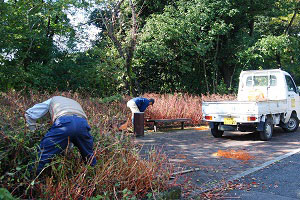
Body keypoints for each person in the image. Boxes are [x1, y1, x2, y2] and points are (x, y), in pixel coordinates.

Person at [25, 96, 97, 174]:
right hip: (82, 124)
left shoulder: (53, 100)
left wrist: (33, 134)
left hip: (64, 121)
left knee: (42, 157)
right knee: (89, 158)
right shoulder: (74, 103)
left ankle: (30, 179)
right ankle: (94, 179)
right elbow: (72, 133)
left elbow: (29, 114)